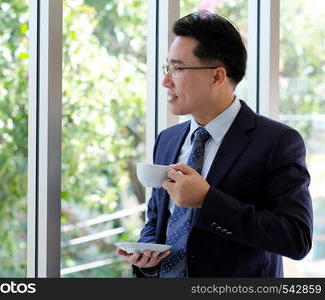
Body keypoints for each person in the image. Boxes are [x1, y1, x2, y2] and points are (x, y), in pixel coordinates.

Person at [116, 10, 313, 277]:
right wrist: (146, 257)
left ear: (217, 76)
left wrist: (207, 201)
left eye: (178, 68)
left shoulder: (277, 142)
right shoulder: (168, 139)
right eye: (167, 68)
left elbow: (295, 238)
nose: (166, 80)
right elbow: (156, 222)